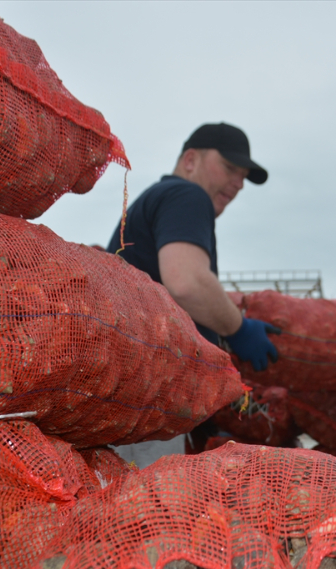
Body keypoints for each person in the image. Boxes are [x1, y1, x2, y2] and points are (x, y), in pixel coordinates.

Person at [106, 122, 280, 465]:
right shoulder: (187, 195)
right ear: (190, 160)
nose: (239, 183)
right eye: (230, 168)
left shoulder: (158, 199)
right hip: (145, 405)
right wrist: (239, 329)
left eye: (244, 176)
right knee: (146, 512)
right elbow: (186, 281)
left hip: (129, 399)